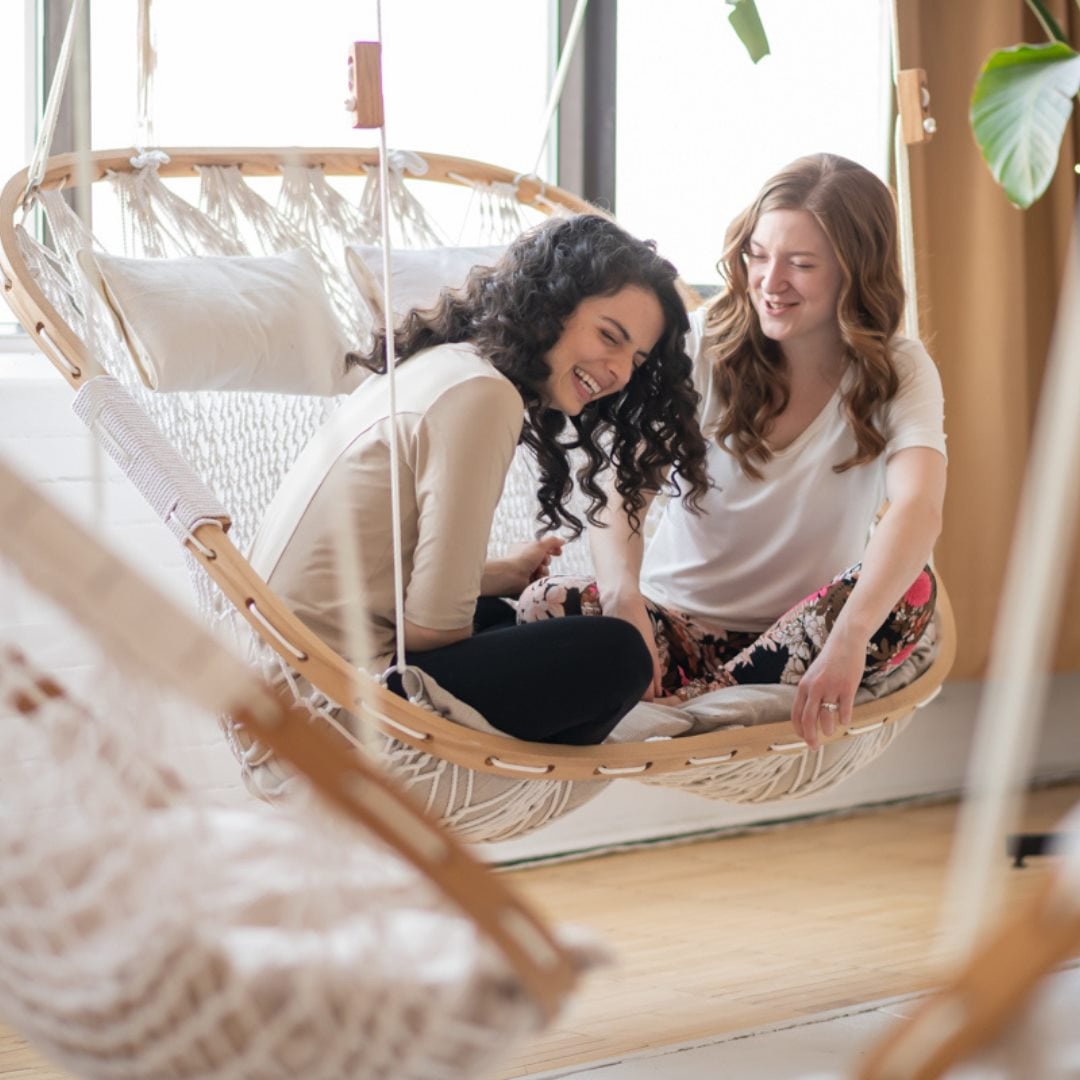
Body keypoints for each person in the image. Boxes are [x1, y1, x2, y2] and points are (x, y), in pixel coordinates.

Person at [519, 154, 947, 750]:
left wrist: (848, 639)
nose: (771, 282)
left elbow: (918, 508)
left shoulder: (899, 369)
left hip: (809, 632)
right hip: (673, 625)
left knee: (914, 592)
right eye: (759, 254)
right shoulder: (699, 346)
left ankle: (690, 709)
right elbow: (624, 487)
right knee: (544, 603)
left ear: (856, 272)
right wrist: (624, 604)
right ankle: (715, 702)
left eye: (801, 264)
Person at [249, 213, 710, 746]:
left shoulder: (444, 363)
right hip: (336, 698)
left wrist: (498, 575)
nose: (621, 373)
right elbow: (432, 632)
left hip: (277, 675)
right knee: (617, 654)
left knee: (519, 615)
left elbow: (373, 579)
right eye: (608, 336)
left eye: (635, 359)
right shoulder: (484, 396)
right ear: (552, 304)